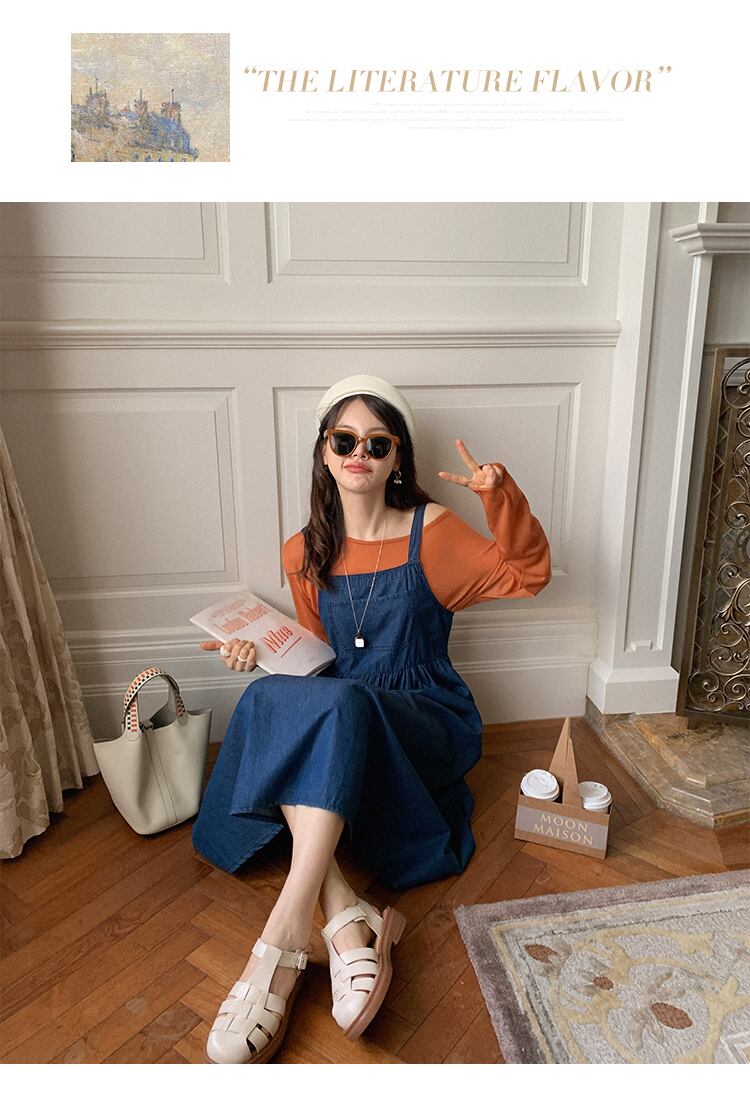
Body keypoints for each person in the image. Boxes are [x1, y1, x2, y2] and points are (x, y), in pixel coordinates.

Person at [191, 374, 551, 1063]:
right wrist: (258, 654)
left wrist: (497, 496)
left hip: (425, 715)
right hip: (347, 714)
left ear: (396, 459)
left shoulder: (432, 532)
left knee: (338, 705)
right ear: (324, 452)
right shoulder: (303, 551)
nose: (359, 454)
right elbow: (315, 661)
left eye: (377, 444)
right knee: (273, 697)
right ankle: (340, 913)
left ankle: (279, 944)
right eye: (345, 440)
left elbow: (528, 574)